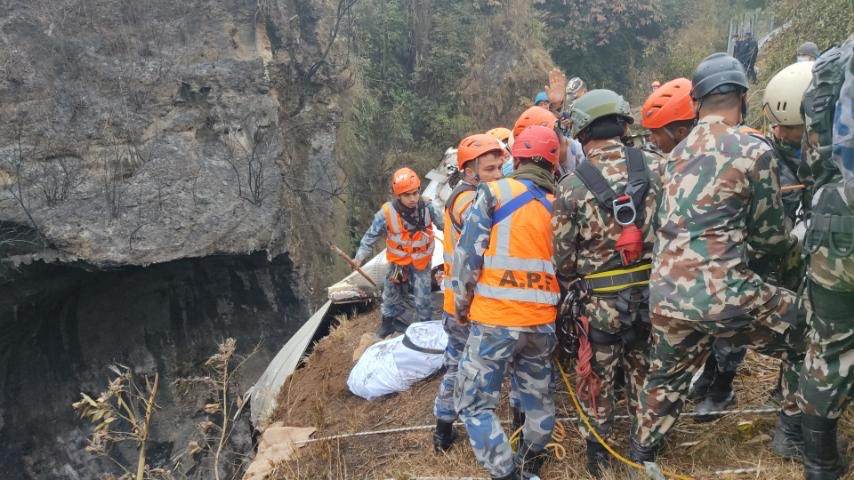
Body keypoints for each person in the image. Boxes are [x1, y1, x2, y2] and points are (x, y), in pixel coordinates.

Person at [629, 52, 807, 463]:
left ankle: (640, 453)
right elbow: (771, 239)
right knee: (809, 334)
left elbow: (659, 225)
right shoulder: (753, 150)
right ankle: (793, 432)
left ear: (696, 103)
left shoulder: (673, 156)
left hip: (666, 293)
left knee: (664, 378)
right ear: (743, 98)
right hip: (724, 294)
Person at [554, 89, 664, 476]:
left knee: (596, 378)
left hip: (600, 306)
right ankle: (644, 448)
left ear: (583, 132)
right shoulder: (657, 167)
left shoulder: (572, 185)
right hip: (652, 296)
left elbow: (563, 258)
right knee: (646, 372)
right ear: (623, 125)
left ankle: (598, 453)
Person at [453, 125, 560, 480]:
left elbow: (468, 257)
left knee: (473, 403)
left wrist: (461, 304)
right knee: (538, 397)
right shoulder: (558, 203)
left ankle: (505, 473)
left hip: (495, 320)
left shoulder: (493, 192)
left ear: (518, 158)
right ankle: (530, 458)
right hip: (541, 323)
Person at [797, 38, 853, 479]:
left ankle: (819, 463)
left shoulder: (832, 64)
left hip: (834, 218)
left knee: (828, 347)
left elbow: (810, 163)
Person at [433, 134, 506, 452]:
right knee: (459, 367)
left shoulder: (474, 194)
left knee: (459, 365)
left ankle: (445, 427)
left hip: (468, 300)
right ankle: (445, 429)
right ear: (469, 170)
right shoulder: (466, 200)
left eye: (499, 167)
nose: (498, 175)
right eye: (490, 169)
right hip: (463, 305)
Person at [354, 167, 444, 338]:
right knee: (391, 293)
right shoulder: (387, 213)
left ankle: (425, 328)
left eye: (415, 193)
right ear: (398, 195)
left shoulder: (428, 207)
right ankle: (388, 323)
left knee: (423, 298)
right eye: (407, 195)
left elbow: (446, 226)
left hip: (421, 263)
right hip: (399, 264)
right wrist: (360, 257)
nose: (413, 198)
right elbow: (371, 235)